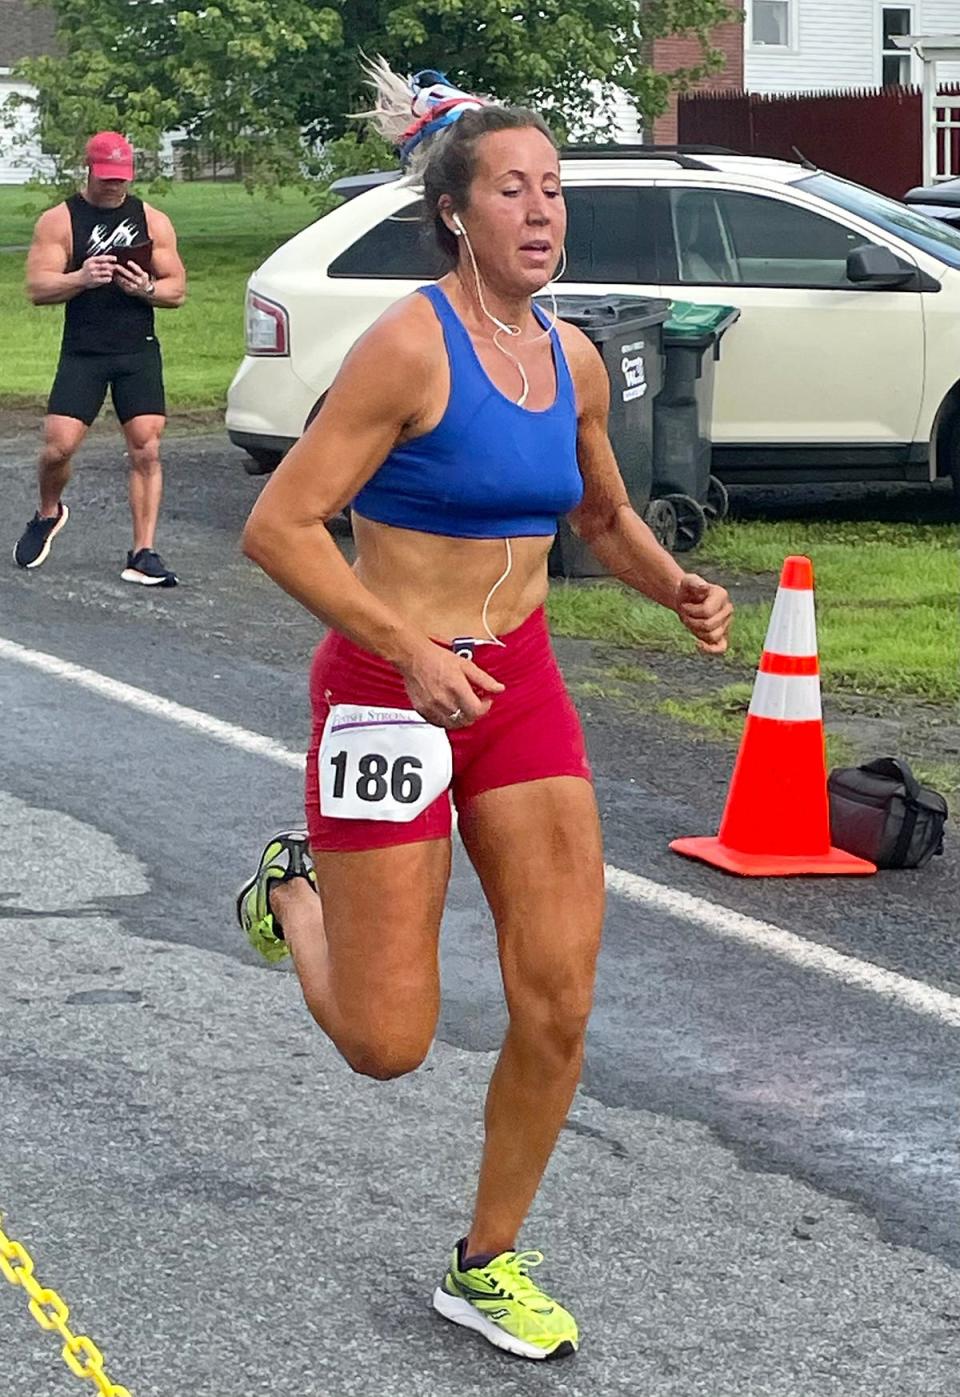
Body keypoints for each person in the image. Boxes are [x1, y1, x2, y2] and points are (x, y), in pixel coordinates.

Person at [236, 64, 733, 1361]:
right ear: (458, 211)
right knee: (389, 1043)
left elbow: (602, 513)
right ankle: (294, 892)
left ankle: (487, 1260)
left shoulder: (567, 356)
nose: (542, 209)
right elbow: (278, 525)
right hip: (387, 694)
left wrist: (672, 582)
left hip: (516, 691)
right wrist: (403, 645)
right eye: (512, 188)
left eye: (555, 188)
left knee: (558, 994)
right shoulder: (410, 342)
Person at [14, 131, 186, 585]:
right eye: (107, 178)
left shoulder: (153, 220)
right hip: (84, 348)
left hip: (136, 348)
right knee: (58, 447)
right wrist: (82, 277)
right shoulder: (60, 220)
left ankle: (143, 552)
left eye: (122, 179)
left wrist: (145, 289)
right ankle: (48, 512)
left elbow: (177, 290)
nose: (115, 187)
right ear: (88, 170)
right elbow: (37, 288)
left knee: (146, 447)